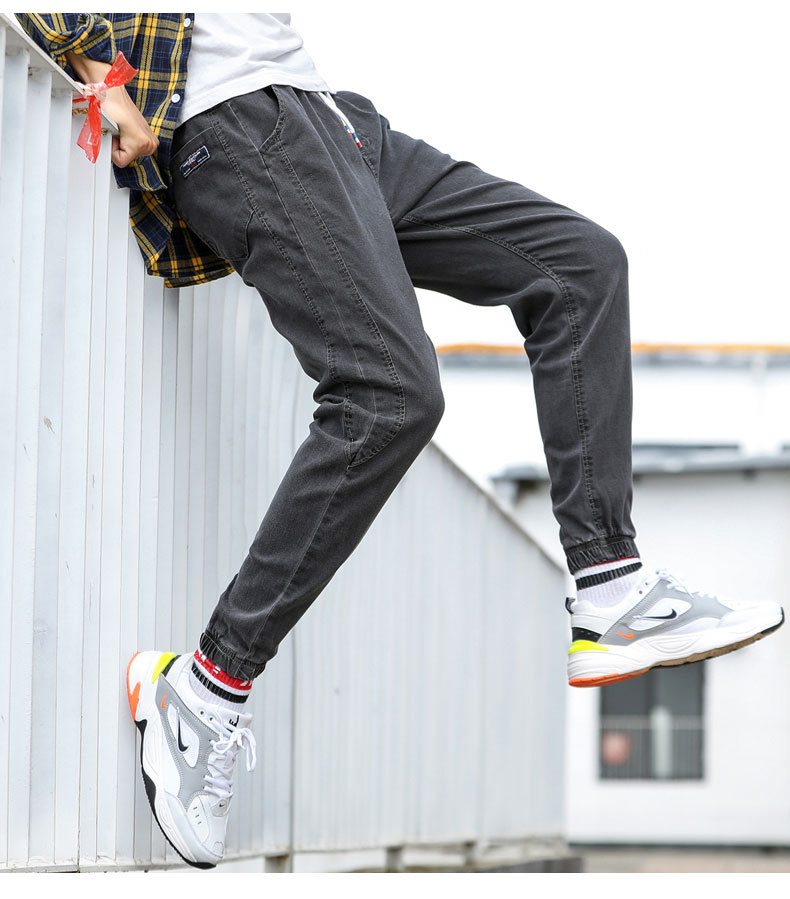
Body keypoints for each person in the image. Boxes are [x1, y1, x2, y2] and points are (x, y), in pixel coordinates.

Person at [18, 12, 784, 869]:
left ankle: (609, 586)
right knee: (389, 394)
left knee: (581, 266)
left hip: (327, 115)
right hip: (239, 119)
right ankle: (208, 684)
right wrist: (102, 68)